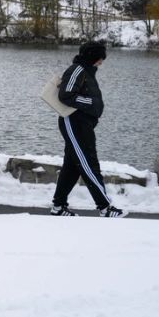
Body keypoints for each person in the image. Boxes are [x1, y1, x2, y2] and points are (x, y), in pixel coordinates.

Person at [50, 41, 126, 218]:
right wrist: (92, 103)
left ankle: (58, 207)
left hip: (82, 124)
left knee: (73, 166)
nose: (101, 62)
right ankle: (105, 207)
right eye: (100, 58)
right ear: (92, 56)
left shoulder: (87, 71)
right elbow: (66, 95)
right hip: (74, 123)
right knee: (88, 163)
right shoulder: (77, 70)